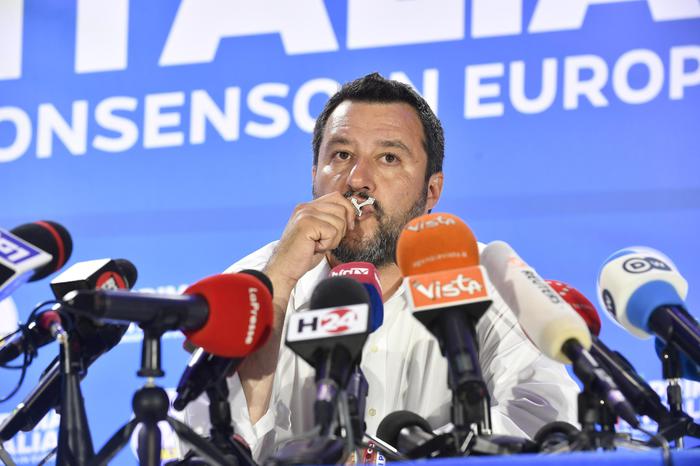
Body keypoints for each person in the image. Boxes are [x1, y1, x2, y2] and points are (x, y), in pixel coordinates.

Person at [184, 73, 580, 460]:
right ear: (314, 175)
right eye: (341, 155)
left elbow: (545, 421)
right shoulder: (257, 280)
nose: (358, 180)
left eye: (389, 158)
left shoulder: (485, 275)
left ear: (431, 191)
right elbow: (203, 442)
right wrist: (280, 284)